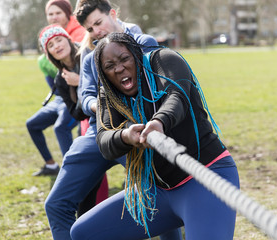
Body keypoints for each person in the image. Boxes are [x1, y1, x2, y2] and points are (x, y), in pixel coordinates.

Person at [70, 32, 240, 240]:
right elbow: (104, 141)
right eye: (109, 66)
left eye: (124, 59)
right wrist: (125, 136)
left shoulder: (164, 60)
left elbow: (177, 97)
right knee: (83, 233)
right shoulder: (109, 93)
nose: (119, 68)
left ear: (136, 54)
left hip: (207, 179)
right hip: (158, 191)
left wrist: (159, 122)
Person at [42, 1, 182, 240]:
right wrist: (99, 105)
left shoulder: (143, 44)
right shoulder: (88, 58)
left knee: (156, 192)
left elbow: (165, 89)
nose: (96, 31)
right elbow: (84, 98)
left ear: (113, 14)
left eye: (98, 22)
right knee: (55, 204)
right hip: (99, 132)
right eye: (89, 28)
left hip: (137, 133)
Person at [26, 0, 86, 176]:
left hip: (85, 98)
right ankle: (52, 166)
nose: (54, 17)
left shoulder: (83, 38)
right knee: (32, 124)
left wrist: (79, 82)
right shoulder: (49, 39)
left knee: (61, 128)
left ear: (68, 13)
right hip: (64, 97)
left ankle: (72, 171)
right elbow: (54, 84)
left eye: (58, 13)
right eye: (50, 14)